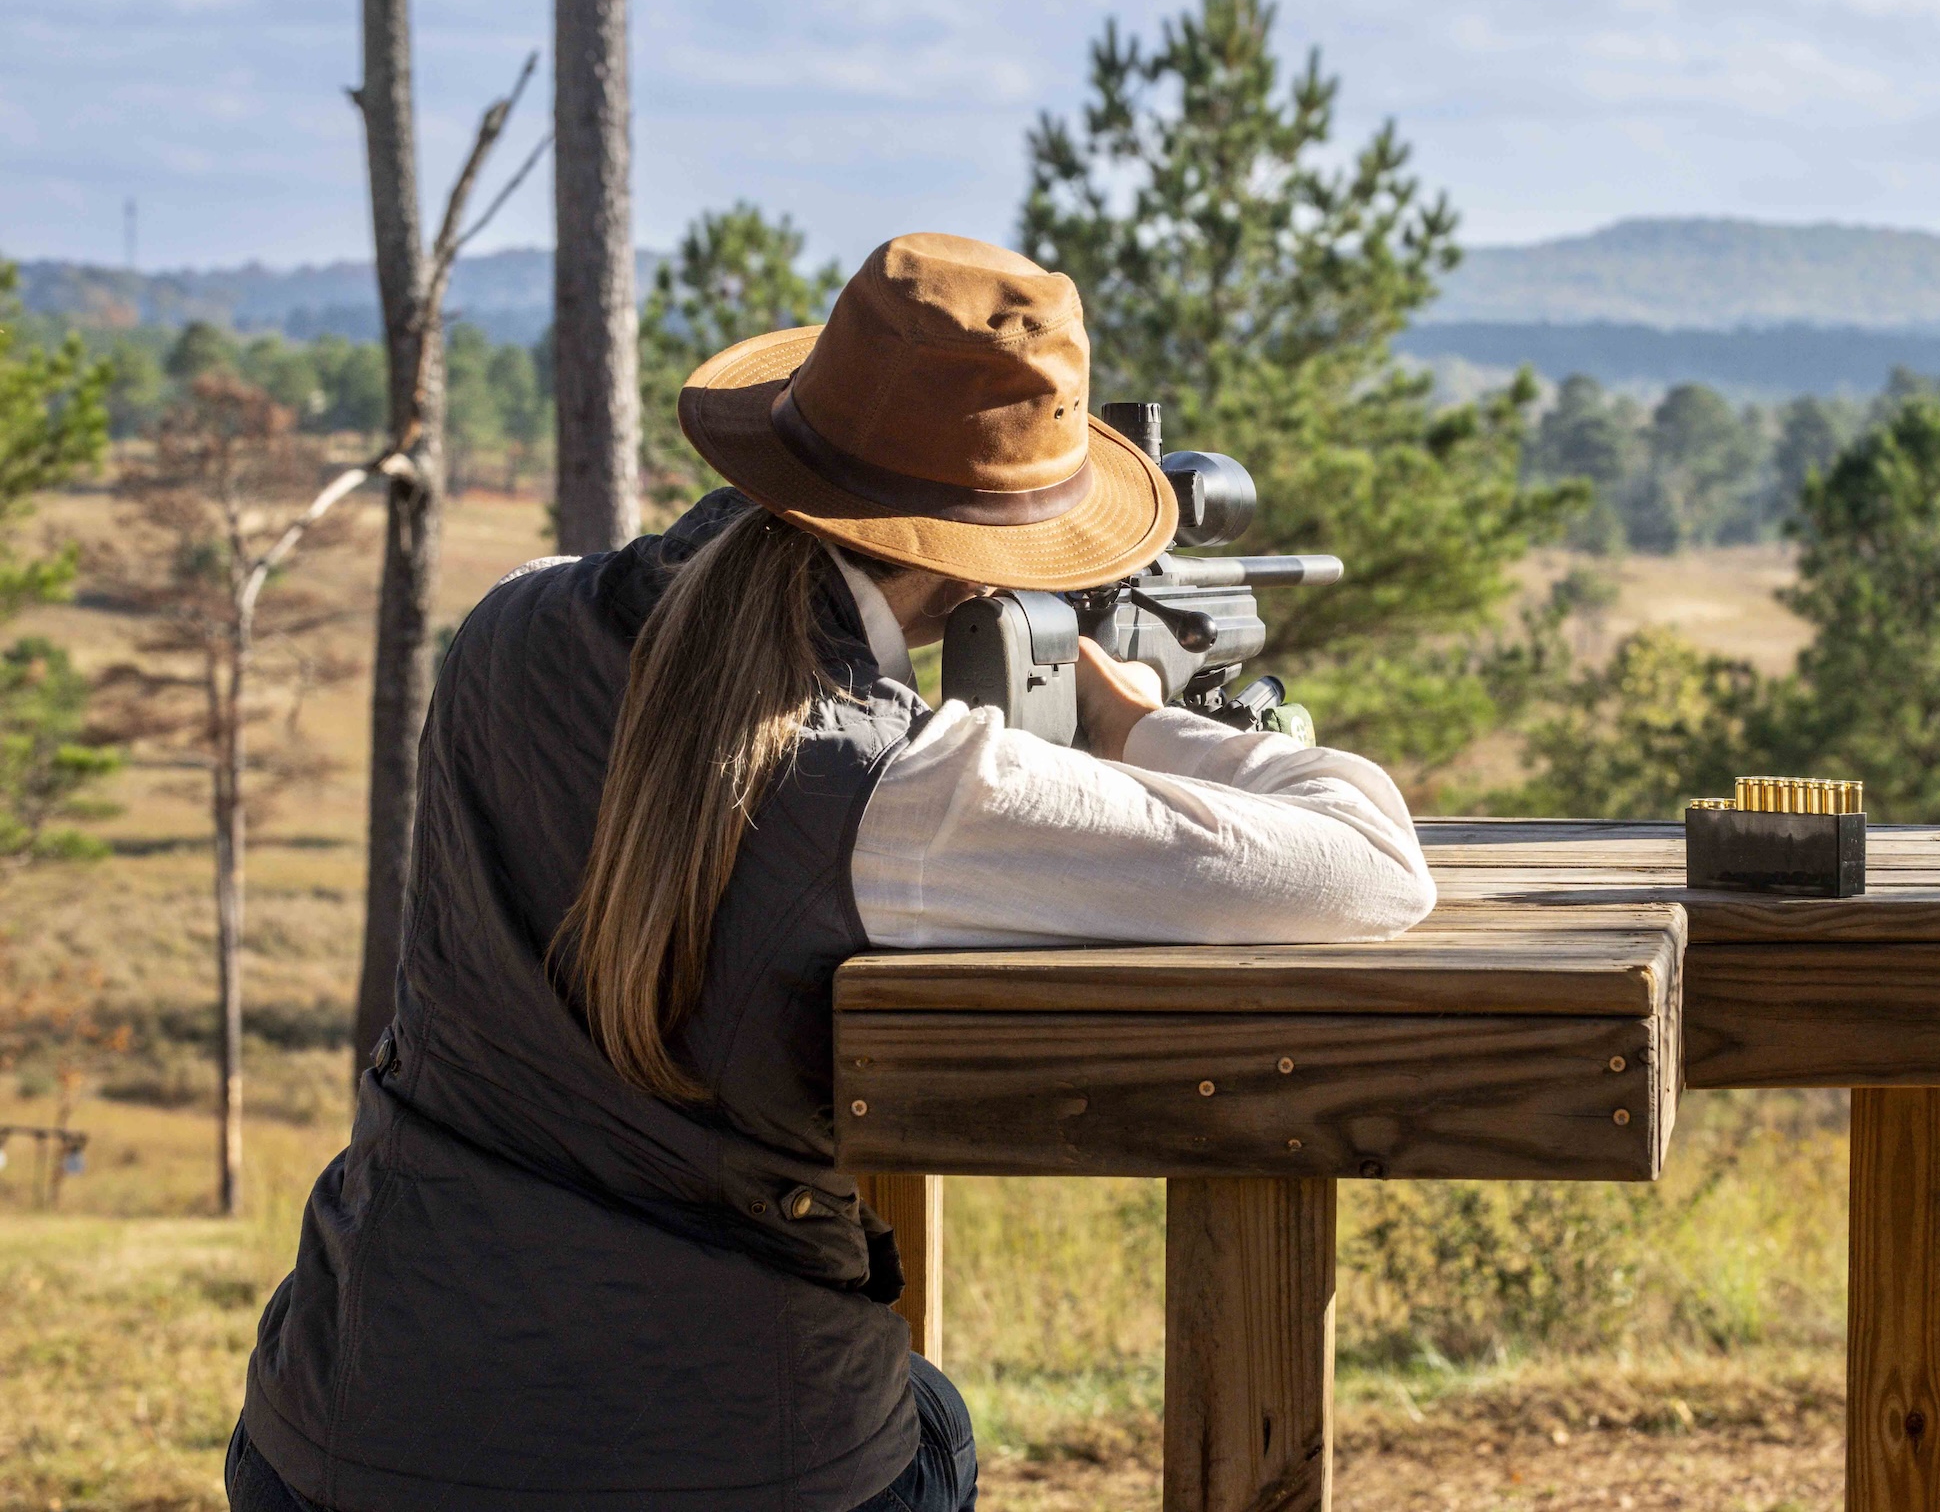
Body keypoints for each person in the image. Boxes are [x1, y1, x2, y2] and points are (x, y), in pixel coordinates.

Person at [229, 234, 1437, 1512]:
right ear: (979, 554)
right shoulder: (908, 791)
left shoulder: (509, 625)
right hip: (722, 1459)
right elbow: (1371, 863)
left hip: (336, 1427)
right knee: (933, 1423)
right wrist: (1139, 720)